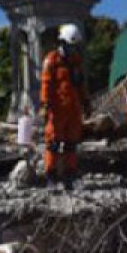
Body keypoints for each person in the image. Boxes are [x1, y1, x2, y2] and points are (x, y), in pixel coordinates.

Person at [39, 23, 89, 189]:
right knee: (53, 143)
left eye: (75, 46)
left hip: (73, 109)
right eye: (71, 45)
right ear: (63, 43)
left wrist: (85, 101)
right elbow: (46, 84)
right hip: (57, 109)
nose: (73, 49)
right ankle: (51, 177)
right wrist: (45, 105)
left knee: (71, 143)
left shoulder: (75, 61)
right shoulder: (51, 60)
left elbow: (80, 84)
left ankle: (69, 177)